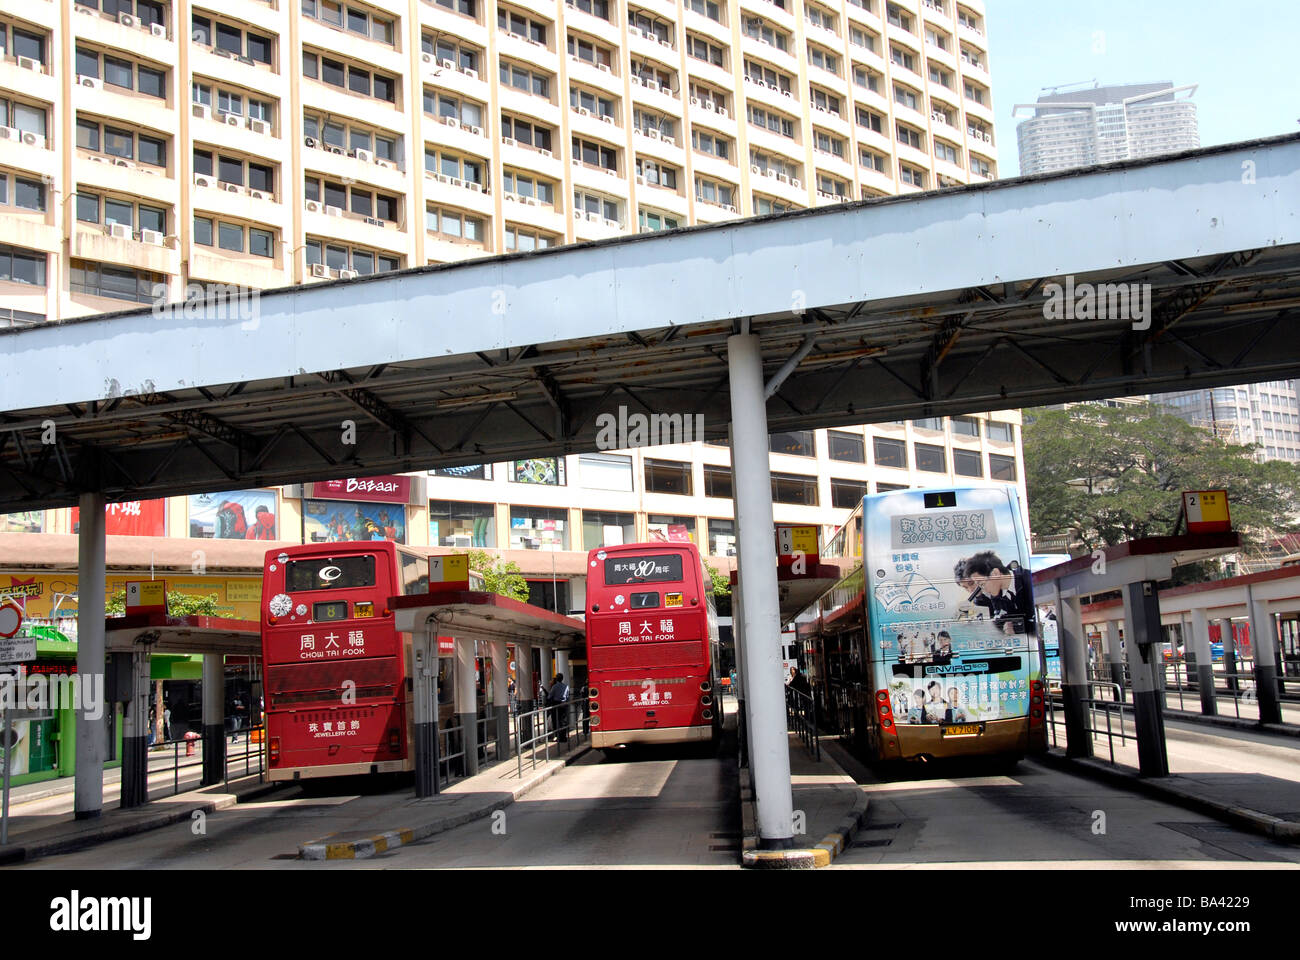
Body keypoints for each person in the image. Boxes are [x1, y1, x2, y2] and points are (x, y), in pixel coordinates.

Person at [547, 672, 570, 742]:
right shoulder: (566, 686)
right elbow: (567, 696)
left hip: (556, 704)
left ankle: (557, 736)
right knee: (563, 721)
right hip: (563, 705)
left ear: (556, 679)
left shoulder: (555, 687)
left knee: (555, 721)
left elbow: (550, 696)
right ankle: (563, 736)